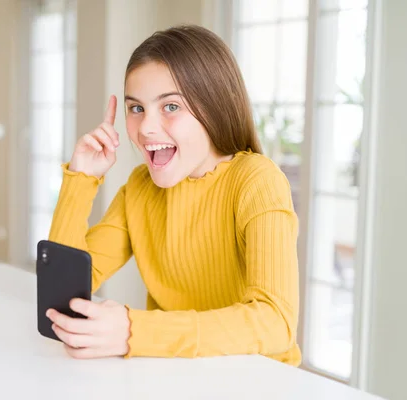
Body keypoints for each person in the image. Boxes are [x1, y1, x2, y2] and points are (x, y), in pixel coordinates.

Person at [45, 24, 301, 366]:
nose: (146, 128)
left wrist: (135, 331)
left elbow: (276, 322)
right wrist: (80, 178)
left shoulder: (257, 181)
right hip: (175, 375)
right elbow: (61, 294)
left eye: (170, 107)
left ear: (214, 106)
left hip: (257, 380)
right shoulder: (140, 189)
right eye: (136, 108)